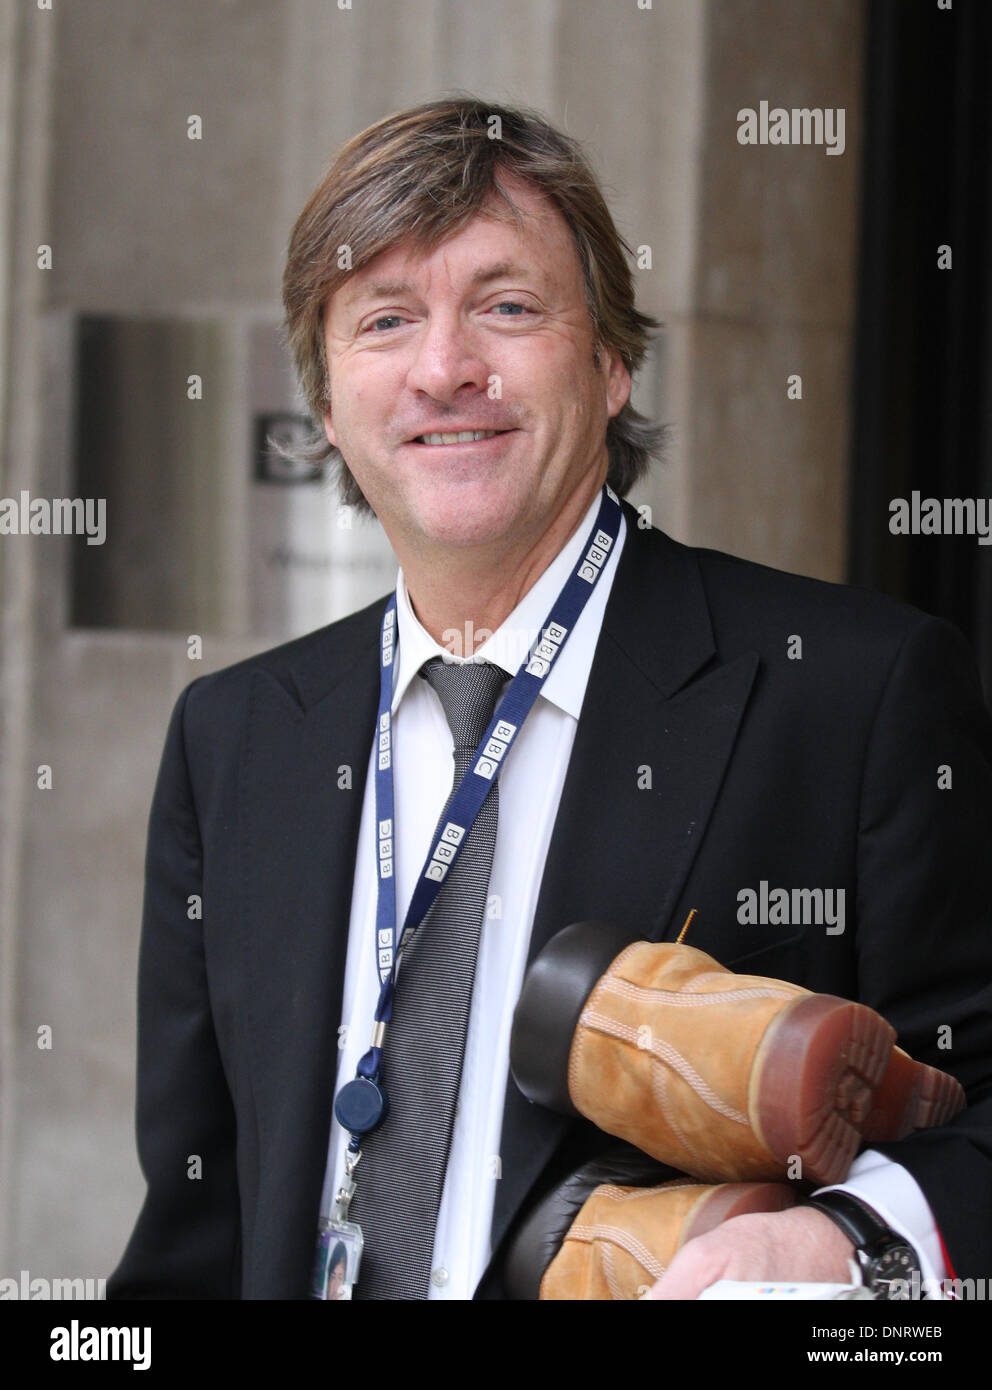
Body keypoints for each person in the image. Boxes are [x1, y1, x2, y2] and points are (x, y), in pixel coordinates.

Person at [107, 96, 992, 1301]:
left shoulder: (851, 691)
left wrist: (845, 1241)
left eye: (506, 307)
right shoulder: (237, 736)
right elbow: (195, 1232)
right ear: (326, 403)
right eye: (384, 319)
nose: (443, 368)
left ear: (611, 360)